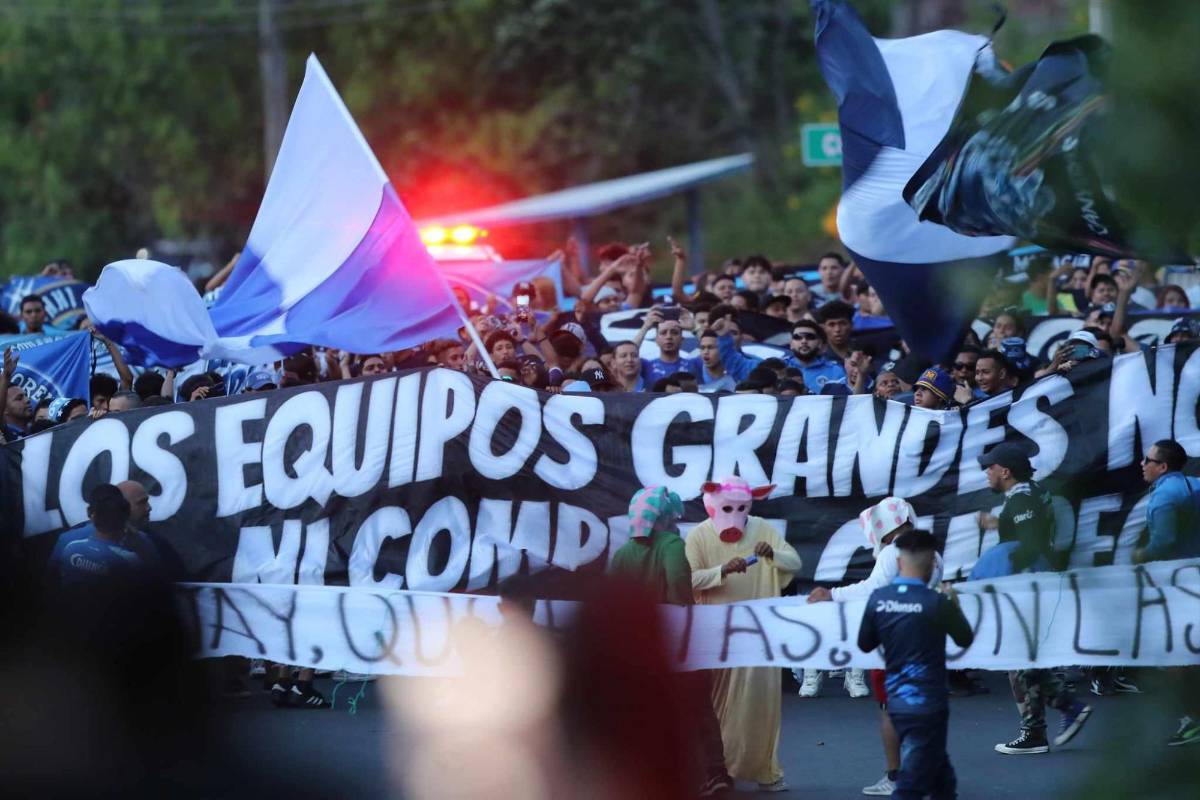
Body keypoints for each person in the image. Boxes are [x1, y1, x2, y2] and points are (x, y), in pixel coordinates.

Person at [608, 486, 733, 797]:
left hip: (639, 649)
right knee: (698, 708)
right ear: (663, 518)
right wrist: (687, 619)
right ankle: (713, 773)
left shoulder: (622, 555)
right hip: (681, 645)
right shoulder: (672, 544)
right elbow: (679, 585)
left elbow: (612, 601)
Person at [973, 443, 1092, 754]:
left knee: (1018, 659)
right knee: (1025, 659)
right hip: (1036, 585)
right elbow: (1030, 529)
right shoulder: (1030, 492)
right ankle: (1065, 710)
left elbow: (1031, 542)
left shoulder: (1022, 498)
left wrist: (1002, 579)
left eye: (990, 467)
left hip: (1025, 588)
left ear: (1006, 471)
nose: (987, 472)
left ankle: (1037, 731)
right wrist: (998, 524)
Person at [685, 477, 802, 793]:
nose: (735, 514)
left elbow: (795, 562)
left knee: (760, 704)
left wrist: (771, 555)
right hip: (716, 637)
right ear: (711, 504)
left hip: (756, 635)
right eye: (727, 507)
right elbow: (689, 578)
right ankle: (718, 770)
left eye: (742, 508)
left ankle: (765, 770)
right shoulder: (697, 536)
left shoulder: (762, 528)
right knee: (715, 707)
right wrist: (722, 570)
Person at [857, 529, 974, 800]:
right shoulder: (937, 602)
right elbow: (964, 638)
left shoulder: (879, 599)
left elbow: (864, 644)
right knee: (911, 784)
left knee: (940, 772)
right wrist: (953, 606)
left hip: (896, 701)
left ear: (899, 563)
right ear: (933, 565)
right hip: (930, 702)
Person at [1132, 439, 1200, 745]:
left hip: (1178, 584)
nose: (1142, 465)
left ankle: (1191, 719)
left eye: (1148, 460)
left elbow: (1162, 544)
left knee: (1176, 653)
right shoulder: (1194, 484)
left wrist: (1139, 556)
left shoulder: (1162, 499)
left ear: (1162, 467)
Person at [47, 484, 143, 590]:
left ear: (91, 513)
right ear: (124, 515)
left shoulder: (69, 545)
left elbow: (52, 579)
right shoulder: (135, 552)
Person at [713, 317, 846, 391]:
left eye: (810, 337)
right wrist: (724, 337)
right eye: (798, 337)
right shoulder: (774, 367)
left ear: (821, 345)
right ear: (791, 344)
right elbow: (735, 365)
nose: (803, 341)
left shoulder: (835, 372)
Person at [632, 309, 701, 387]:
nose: (669, 337)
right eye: (663, 333)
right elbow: (628, 352)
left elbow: (713, 346)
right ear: (656, 339)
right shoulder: (646, 366)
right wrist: (645, 327)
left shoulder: (695, 364)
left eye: (674, 332)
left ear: (682, 339)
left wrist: (695, 328)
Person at [816, 300, 854, 366]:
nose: (837, 329)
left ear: (851, 325)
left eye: (842, 323)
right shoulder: (818, 358)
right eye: (831, 324)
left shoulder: (862, 353)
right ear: (823, 328)